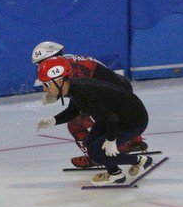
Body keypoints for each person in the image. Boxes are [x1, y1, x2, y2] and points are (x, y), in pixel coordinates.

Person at [35, 56, 152, 185]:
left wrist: (111, 140)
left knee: (98, 152)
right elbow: (73, 111)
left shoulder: (81, 93)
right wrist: (52, 120)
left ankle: (140, 161)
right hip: (119, 115)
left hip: (133, 120)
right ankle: (115, 174)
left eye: (46, 84)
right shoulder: (75, 87)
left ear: (60, 80)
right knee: (90, 143)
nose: (45, 89)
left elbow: (110, 118)